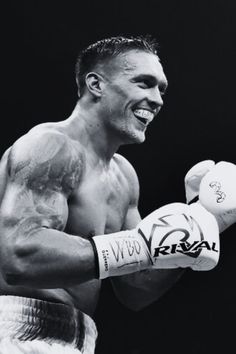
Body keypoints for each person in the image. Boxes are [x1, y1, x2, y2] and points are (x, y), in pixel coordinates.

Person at [0, 35, 235, 354]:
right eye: (144, 83)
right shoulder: (51, 148)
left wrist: (203, 218)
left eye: (161, 89)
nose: (157, 99)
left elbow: (136, 288)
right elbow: (18, 255)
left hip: (79, 337)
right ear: (96, 84)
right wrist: (140, 244)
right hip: (17, 329)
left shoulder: (123, 177)